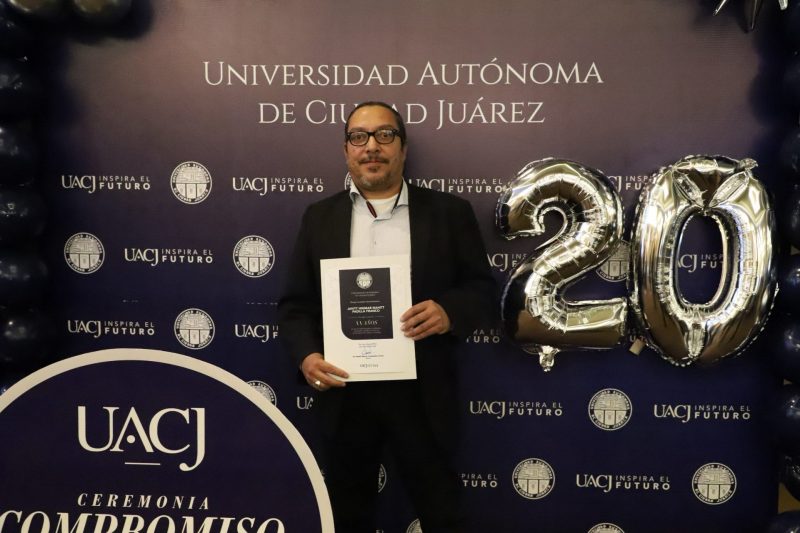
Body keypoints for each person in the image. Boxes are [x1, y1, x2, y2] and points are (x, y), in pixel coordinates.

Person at [278, 101, 495, 533]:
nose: (371, 146)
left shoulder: (449, 212)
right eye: (359, 137)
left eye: (384, 135)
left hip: (423, 391)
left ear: (403, 148)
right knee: (347, 515)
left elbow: (482, 290)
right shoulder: (320, 217)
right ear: (346, 150)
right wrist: (307, 357)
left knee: (444, 514)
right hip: (345, 391)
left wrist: (449, 311)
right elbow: (296, 305)